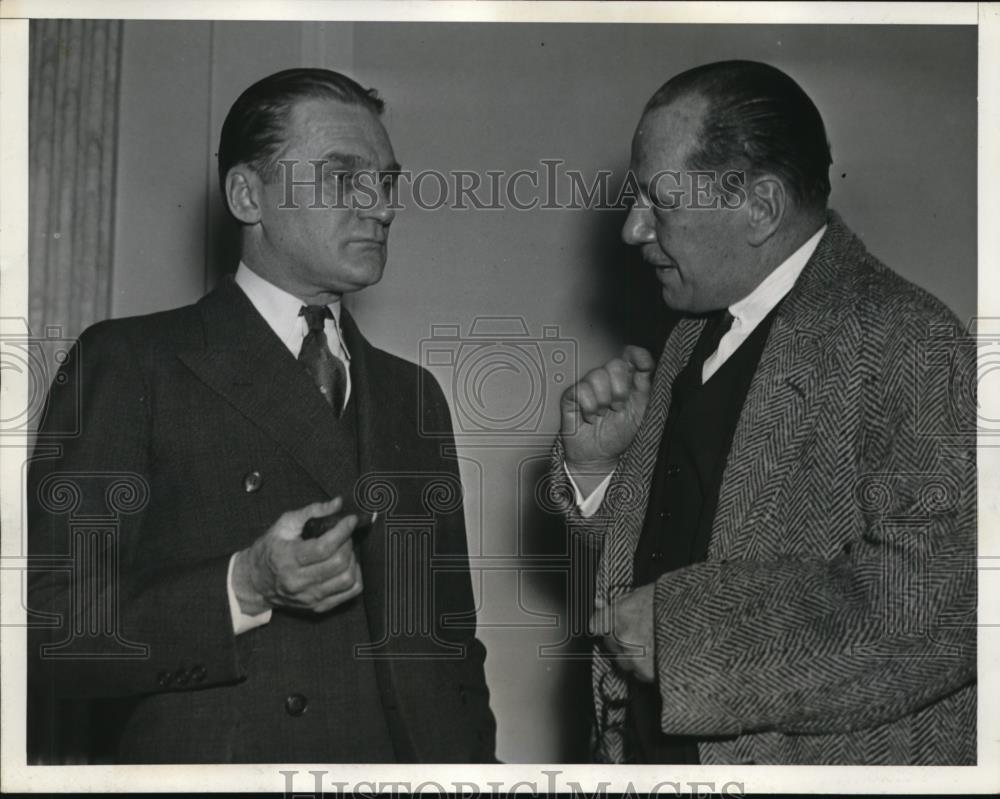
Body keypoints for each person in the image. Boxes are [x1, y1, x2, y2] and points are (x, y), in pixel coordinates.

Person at [28, 68, 496, 764]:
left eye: (386, 181)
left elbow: (452, 648)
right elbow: (49, 630)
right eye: (343, 178)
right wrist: (242, 586)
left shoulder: (414, 395)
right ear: (249, 196)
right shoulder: (132, 361)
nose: (381, 207)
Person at [553, 60, 975, 765]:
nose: (632, 230)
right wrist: (599, 476)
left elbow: (940, 610)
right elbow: (689, 544)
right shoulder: (692, 335)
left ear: (761, 208)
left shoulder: (909, 339)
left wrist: (687, 637)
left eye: (660, 201)